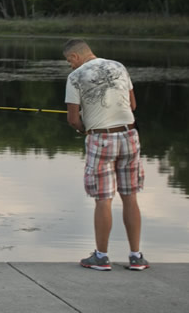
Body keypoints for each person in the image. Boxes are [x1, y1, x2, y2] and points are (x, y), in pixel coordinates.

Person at [63, 38, 148, 271]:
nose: (69, 66)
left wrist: (83, 128)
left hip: (101, 139)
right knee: (130, 197)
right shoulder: (119, 66)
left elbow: (72, 119)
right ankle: (136, 257)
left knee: (104, 199)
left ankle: (101, 257)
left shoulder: (75, 77)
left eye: (68, 61)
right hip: (129, 136)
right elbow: (132, 105)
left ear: (75, 57)